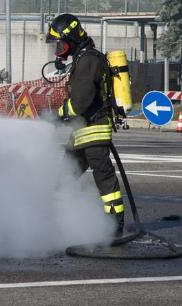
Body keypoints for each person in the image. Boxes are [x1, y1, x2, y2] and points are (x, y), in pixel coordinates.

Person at [46, 14, 125, 236]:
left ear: (71, 37)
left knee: (103, 176)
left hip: (94, 129)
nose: (59, 48)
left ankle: (114, 223)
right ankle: (53, 217)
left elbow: (80, 102)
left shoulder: (89, 60)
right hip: (81, 131)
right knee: (65, 174)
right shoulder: (82, 58)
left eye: (61, 42)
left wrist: (58, 114)